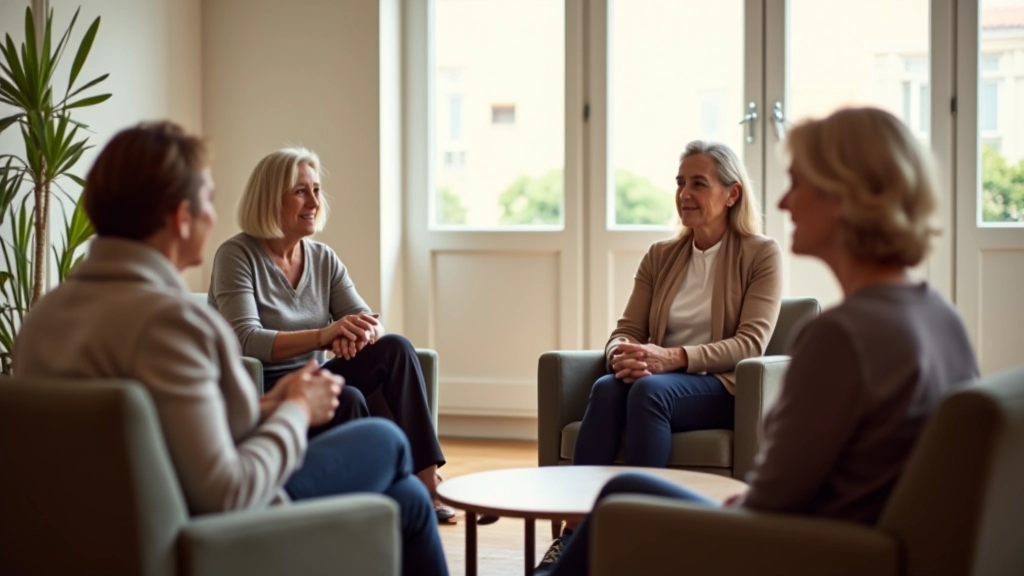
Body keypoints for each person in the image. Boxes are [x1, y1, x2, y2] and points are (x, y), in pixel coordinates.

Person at [534, 107, 979, 576]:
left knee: (622, 496)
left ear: (846, 197)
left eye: (798, 182)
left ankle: (612, 549)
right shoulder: (940, 316)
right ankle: (583, 543)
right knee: (615, 428)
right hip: (842, 537)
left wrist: (680, 520)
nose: (784, 202)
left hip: (795, 548)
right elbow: (795, 483)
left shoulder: (838, 336)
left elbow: (771, 501)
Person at [13, 122, 449, 576]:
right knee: (387, 444)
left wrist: (270, 404)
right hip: (205, 532)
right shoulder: (176, 325)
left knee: (406, 499)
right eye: (207, 200)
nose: (212, 215)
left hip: (101, 536)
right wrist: (296, 410)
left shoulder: (41, 320)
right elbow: (227, 491)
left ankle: (415, 495)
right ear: (183, 218)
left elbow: (161, 431)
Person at [544, 140, 783, 558]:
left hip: (719, 387)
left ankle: (641, 541)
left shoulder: (761, 254)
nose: (684, 194)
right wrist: (625, 353)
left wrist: (670, 358)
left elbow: (750, 343)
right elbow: (626, 329)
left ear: (732, 193)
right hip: (653, 378)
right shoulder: (661, 255)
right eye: (679, 183)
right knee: (606, 387)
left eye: (698, 183)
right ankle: (572, 536)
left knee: (650, 393)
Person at [208, 148, 454, 521]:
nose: (313, 202)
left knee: (396, 347)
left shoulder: (322, 258)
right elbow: (246, 339)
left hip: (317, 377)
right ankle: (373, 503)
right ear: (270, 198)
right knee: (350, 397)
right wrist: (324, 335)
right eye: (300, 191)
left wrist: (357, 334)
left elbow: (370, 320)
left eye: (317, 190)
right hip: (270, 390)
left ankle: (427, 481)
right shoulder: (236, 255)